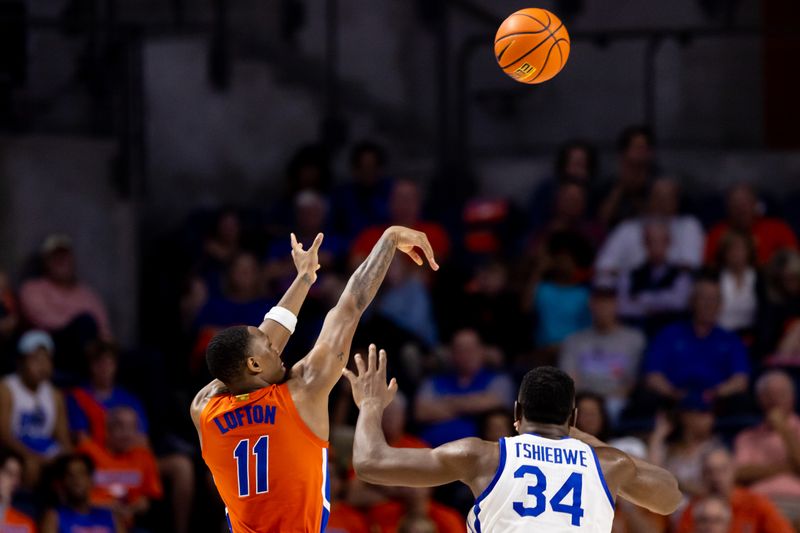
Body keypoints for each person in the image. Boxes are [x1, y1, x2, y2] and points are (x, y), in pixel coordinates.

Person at [189, 227, 438, 532]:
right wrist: (388, 240)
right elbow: (350, 307)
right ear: (253, 364)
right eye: (268, 347)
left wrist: (304, 279)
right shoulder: (303, 390)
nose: (276, 345)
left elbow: (245, 356)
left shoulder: (204, 409)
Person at [345, 352, 682, 531]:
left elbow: (369, 463)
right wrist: (582, 438)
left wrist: (372, 406)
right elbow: (669, 497)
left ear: (517, 412)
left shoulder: (482, 456)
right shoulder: (607, 464)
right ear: (574, 418)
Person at [640, 277, 750, 412]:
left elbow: (740, 380)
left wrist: (716, 393)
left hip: (717, 401)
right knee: (646, 398)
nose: (709, 304)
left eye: (714, 299)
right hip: (673, 399)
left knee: (742, 401)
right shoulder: (669, 334)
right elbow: (653, 376)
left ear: (721, 305)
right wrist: (673, 393)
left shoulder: (730, 339)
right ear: (692, 302)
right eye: (703, 298)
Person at [19, 235, 113, 366]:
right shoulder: (33, 288)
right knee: (85, 322)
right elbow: (41, 319)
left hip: (93, 351)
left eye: (65, 257)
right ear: (46, 261)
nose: (61, 262)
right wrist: (76, 323)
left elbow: (104, 331)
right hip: (54, 347)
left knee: (145, 359)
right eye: (56, 258)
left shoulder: (87, 294)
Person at [414, 329, 514, 447]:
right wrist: (471, 406)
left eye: (470, 350)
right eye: (460, 350)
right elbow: (421, 412)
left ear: (482, 350)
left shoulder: (498, 380)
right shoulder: (433, 381)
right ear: (451, 353)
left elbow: (496, 402)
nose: (466, 355)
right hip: (431, 450)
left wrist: (444, 404)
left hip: (478, 454)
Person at [559, 285, 646, 421]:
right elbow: (569, 381)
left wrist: (606, 401)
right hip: (583, 400)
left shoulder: (634, 339)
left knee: (612, 407)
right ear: (591, 305)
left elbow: (631, 382)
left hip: (616, 400)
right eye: (598, 303)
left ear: (616, 305)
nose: (603, 309)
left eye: (607, 303)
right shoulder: (574, 340)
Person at [0, 330, 71, 487]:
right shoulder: (6, 388)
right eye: (36, 360)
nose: (42, 366)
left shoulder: (55, 394)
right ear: (21, 362)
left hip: (45, 451)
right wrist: (31, 456)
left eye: (46, 360)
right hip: (16, 449)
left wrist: (65, 459)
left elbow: (63, 438)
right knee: (29, 465)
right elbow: (3, 435)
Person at [595, 177, 704, 276]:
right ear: (648, 199)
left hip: (674, 293)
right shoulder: (627, 228)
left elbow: (690, 266)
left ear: (677, 201)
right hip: (630, 292)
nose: (662, 202)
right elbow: (604, 266)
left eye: (668, 197)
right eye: (658, 196)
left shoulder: (688, 226)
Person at [76, 407, 162, 528]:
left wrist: (133, 508)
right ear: (107, 429)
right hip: (90, 522)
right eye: (119, 426)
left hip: (130, 523)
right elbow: (74, 493)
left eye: (131, 428)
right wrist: (105, 506)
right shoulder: (88, 452)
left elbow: (147, 499)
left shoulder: (143, 456)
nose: (126, 433)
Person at [677, 446, 794, 533]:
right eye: (709, 472)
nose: (716, 477)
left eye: (722, 470)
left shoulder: (756, 503)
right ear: (702, 476)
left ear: (733, 472)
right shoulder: (694, 509)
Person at [734, 370, 800, 521]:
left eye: (781, 394)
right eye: (768, 394)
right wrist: (786, 468)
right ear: (759, 399)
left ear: (793, 397)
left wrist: (784, 430)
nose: (775, 400)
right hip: (757, 502)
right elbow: (740, 473)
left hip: (796, 503)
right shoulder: (747, 436)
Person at [616, 220, 694, 335]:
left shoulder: (681, 275)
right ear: (644, 243)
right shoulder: (629, 275)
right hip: (637, 333)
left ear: (669, 243)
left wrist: (643, 299)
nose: (656, 246)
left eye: (661, 241)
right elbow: (622, 307)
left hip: (671, 336)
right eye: (651, 241)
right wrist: (662, 303)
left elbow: (679, 302)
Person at [704, 184, 798, 267]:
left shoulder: (778, 229)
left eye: (745, 204)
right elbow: (709, 267)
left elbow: (793, 261)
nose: (741, 210)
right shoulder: (718, 233)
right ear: (727, 208)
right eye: (735, 205)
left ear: (755, 205)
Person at [648, 398, 721, 496]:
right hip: (669, 506)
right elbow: (653, 475)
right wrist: (658, 436)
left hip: (699, 507)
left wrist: (671, 481)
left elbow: (707, 491)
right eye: (703, 413)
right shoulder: (671, 448)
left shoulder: (714, 448)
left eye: (710, 413)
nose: (710, 419)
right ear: (686, 416)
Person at [41, 454, 121, 533]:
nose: (77, 480)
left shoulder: (110, 516)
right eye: (70, 475)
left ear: (91, 480)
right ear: (62, 482)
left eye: (82, 474)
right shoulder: (54, 517)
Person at [528, 140, 598, 230]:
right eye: (574, 164)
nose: (577, 171)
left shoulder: (594, 195)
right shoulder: (546, 190)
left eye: (582, 165)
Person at [597, 126, 656, 227]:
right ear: (623, 153)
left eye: (645, 148)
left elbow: (659, 219)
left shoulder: (658, 183)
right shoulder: (607, 185)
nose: (641, 153)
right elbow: (601, 221)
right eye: (637, 147)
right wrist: (621, 187)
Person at [715, 230, 761, 337]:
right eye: (731, 249)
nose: (736, 253)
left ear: (749, 252)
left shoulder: (759, 279)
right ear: (724, 253)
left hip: (750, 336)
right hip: (718, 334)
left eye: (740, 249)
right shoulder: (714, 277)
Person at [0, 451, 36, 532]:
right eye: (9, 473)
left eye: (18, 477)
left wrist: (3, 507)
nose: (15, 482)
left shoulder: (25, 523)